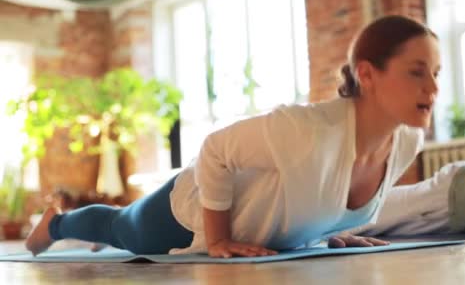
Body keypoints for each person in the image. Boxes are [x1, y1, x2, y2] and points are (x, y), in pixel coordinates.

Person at [25, 15, 442, 258]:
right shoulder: (305, 128)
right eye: (416, 72)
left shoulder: (405, 141)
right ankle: (57, 224)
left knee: (117, 230)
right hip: (189, 215)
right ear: (368, 74)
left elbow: (305, 190)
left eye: (436, 73)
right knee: (120, 228)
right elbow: (215, 150)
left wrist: (324, 230)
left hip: (256, 230)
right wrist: (220, 237)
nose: (433, 88)